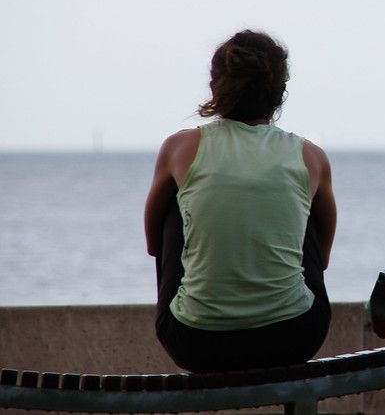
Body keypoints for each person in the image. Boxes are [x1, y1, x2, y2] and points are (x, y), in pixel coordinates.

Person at [143, 29, 336, 372]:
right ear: (280, 92)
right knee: (302, 203)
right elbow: (320, 259)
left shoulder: (179, 148)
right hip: (295, 338)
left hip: (195, 343)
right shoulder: (310, 156)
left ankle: (202, 303)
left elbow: (154, 245)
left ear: (216, 86)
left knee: (175, 203)